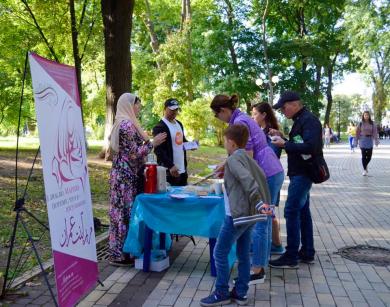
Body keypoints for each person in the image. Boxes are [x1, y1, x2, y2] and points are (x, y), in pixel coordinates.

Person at [211, 94, 284, 284]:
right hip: (270, 170)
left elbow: (246, 156)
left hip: (266, 172)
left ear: (224, 111)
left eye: (217, 116)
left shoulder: (241, 122)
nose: (219, 120)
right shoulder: (241, 118)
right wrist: (226, 164)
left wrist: (228, 167)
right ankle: (261, 264)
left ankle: (258, 269)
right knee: (266, 220)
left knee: (261, 221)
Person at [200, 124, 271, 307]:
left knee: (220, 252)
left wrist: (258, 202)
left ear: (231, 142)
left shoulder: (233, 160)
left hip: (237, 216)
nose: (224, 143)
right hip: (248, 215)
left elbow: (247, 180)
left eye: (225, 141)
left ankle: (222, 292)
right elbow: (259, 176)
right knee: (243, 253)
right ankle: (240, 292)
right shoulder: (245, 157)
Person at [108, 93, 166, 266]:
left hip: (122, 175)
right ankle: (122, 255)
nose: (139, 108)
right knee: (125, 214)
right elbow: (133, 154)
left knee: (122, 213)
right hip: (124, 177)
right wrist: (152, 143)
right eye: (137, 105)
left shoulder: (123, 122)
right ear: (128, 105)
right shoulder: (126, 125)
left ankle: (122, 252)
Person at [269, 90, 323, 268]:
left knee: (291, 211)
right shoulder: (301, 120)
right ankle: (307, 252)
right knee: (302, 212)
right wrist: (283, 138)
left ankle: (291, 256)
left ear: (294, 104)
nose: (283, 112)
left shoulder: (309, 120)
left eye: (284, 108)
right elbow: (299, 144)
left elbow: (310, 147)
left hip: (303, 173)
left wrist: (284, 144)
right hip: (300, 172)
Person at [251, 102, 285, 255]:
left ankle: (269, 248)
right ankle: (276, 246)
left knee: (267, 212)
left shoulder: (270, 132)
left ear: (264, 115)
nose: (253, 117)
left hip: (270, 176)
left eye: (255, 114)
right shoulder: (260, 131)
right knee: (269, 212)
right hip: (269, 176)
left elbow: (271, 155)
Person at [153, 98, 188, 186]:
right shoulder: (160, 127)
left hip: (182, 169)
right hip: (169, 171)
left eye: (176, 109)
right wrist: (170, 165)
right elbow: (158, 150)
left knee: (183, 196)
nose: (174, 112)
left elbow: (181, 141)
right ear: (165, 109)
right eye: (172, 109)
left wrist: (191, 145)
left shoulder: (179, 124)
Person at [354, 111, 379, 176]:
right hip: (362, 140)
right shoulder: (360, 123)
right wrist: (356, 142)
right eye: (365, 115)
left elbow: (375, 132)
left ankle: (365, 165)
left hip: (370, 140)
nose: (366, 116)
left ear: (369, 116)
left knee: (369, 156)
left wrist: (376, 141)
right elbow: (357, 133)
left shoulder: (372, 123)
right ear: (363, 116)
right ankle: (364, 170)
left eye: (367, 115)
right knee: (364, 156)